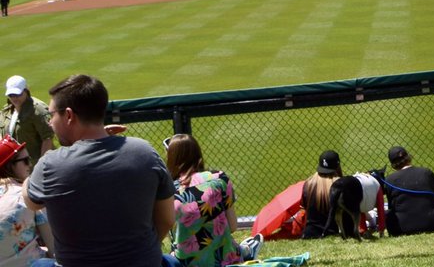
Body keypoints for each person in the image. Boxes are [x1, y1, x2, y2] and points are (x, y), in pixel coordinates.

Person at [23, 74, 175, 267]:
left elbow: (31, 201)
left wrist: (31, 173)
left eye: (51, 115)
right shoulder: (145, 152)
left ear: (69, 115)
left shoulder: (50, 164)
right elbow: (167, 219)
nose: (50, 122)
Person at [165, 134, 260, 266]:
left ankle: (245, 251)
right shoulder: (219, 178)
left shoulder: (167, 191)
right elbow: (232, 226)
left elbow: (171, 236)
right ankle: (245, 251)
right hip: (225, 260)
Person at [0, 135, 56, 267]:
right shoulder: (27, 195)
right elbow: (54, 248)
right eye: (25, 160)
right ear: (9, 165)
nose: (30, 164)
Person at [381, 146, 434, 236]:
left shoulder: (389, 180)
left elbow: (392, 207)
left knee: (389, 214)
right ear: (409, 157)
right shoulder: (425, 172)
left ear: (393, 165)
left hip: (402, 228)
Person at [1, 78, 54, 168]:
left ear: (26, 90)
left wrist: (41, 166)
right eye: (11, 95)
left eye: (17, 94)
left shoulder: (37, 109)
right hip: (14, 165)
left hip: (33, 165)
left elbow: (47, 139)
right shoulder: (7, 110)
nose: (14, 98)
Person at [299, 150, 341, 239]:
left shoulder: (308, 184)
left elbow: (305, 208)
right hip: (330, 233)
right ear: (337, 166)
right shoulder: (339, 185)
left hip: (308, 234)